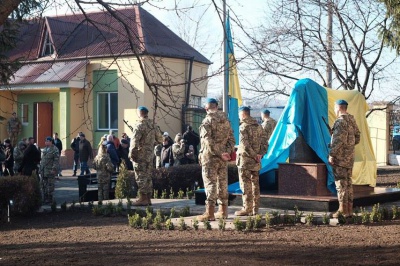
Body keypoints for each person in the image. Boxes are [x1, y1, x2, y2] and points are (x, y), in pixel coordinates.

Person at [197, 98, 235, 221]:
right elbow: (232, 140)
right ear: (217, 107)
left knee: (210, 183)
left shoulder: (207, 122)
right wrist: (226, 153)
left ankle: (210, 213)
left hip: (210, 158)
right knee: (222, 183)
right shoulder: (226, 121)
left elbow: (208, 142)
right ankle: (223, 211)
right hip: (222, 159)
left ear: (206, 109)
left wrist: (219, 153)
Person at [234, 106, 269, 216]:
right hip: (256, 161)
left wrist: (254, 155)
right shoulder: (259, 126)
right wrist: (260, 154)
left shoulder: (243, 127)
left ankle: (247, 208)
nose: (239, 117)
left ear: (243, 114)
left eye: (240, 115)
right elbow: (265, 142)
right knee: (255, 184)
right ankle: (255, 209)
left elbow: (245, 145)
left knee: (245, 184)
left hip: (245, 160)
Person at [329, 99, 360, 218]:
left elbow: (338, 141)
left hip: (340, 158)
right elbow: (357, 137)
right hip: (350, 157)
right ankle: (349, 210)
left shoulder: (340, 122)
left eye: (335, 107)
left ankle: (342, 210)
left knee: (341, 184)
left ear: (338, 107)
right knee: (348, 183)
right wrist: (349, 147)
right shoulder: (351, 120)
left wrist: (332, 154)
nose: (334, 109)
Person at [129, 106, 163, 206]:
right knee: (148, 176)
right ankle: (148, 198)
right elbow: (160, 139)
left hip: (140, 155)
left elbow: (134, 141)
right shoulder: (153, 125)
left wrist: (132, 154)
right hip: (150, 154)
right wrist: (152, 144)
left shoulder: (139, 125)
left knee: (140, 176)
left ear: (140, 113)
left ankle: (143, 198)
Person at [39, 137, 60, 204]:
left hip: (50, 170)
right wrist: (40, 169)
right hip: (43, 170)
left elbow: (56, 161)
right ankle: (44, 198)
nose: (45, 142)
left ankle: (49, 199)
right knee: (43, 185)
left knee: (50, 185)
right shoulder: (45, 149)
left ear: (50, 142)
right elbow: (42, 160)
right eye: (45, 141)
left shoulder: (55, 149)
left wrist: (54, 169)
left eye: (47, 141)